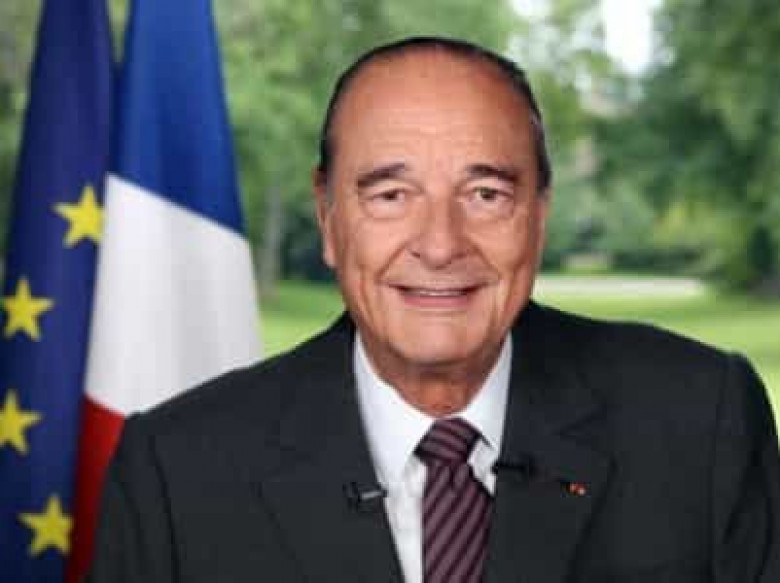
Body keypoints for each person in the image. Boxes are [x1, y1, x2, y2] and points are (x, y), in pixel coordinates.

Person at [88, 37, 780, 582]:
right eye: (391, 195)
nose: (442, 245)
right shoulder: (175, 471)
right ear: (328, 217)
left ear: (539, 216)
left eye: (486, 195)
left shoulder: (704, 421)